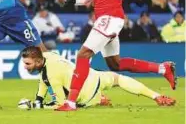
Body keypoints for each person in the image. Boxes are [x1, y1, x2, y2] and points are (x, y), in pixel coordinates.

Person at [56, 0, 176, 112]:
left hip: (112, 18)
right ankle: (162, 68)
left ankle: (71, 102)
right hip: (103, 19)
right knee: (115, 64)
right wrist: (74, 1)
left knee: (83, 54)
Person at [21, 46, 176, 109]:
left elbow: (60, 103)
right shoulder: (48, 55)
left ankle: (98, 99)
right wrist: (39, 98)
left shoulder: (51, 74)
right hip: (91, 75)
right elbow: (43, 79)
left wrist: (36, 106)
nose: (25, 66)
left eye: (27, 63)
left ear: (38, 61)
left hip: (84, 93)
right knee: (118, 79)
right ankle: (157, 96)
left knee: (76, 103)